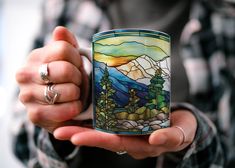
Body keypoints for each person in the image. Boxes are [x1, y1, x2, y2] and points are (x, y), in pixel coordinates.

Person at [12, 0, 235, 167]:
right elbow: (20, 140)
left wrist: (198, 139)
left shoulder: (227, 16)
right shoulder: (66, 4)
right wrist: (54, 117)